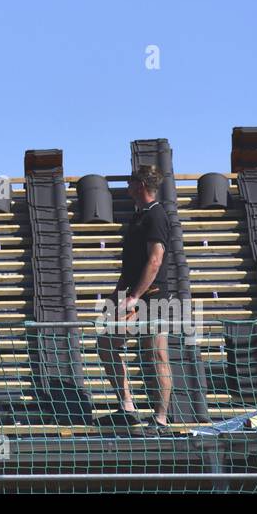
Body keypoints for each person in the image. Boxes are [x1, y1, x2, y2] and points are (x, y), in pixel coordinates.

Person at [98, 165, 173, 434]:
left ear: (140, 184)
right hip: (133, 297)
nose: (127, 185)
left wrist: (134, 296)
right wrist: (116, 296)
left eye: (130, 181)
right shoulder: (137, 217)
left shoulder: (157, 216)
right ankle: (127, 407)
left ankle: (161, 420)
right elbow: (129, 267)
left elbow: (155, 261)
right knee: (106, 343)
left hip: (153, 299)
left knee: (157, 354)